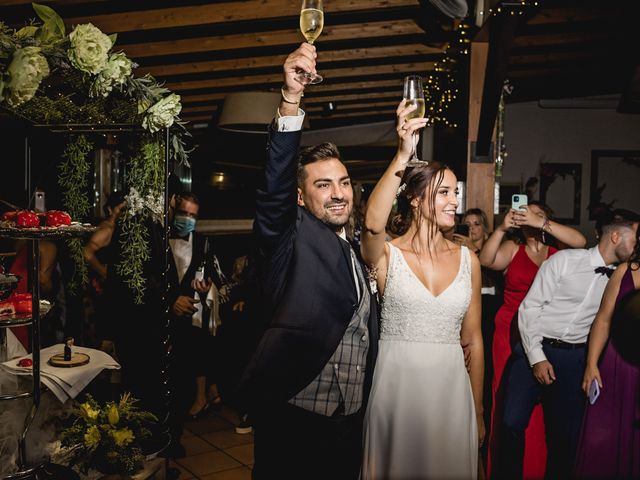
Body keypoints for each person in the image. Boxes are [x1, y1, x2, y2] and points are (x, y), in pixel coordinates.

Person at [238, 44, 379, 480]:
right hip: (292, 416)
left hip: (349, 421)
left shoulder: (360, 248)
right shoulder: (288, 233)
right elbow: (275, 183)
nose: (338, 192)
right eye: (323, 185)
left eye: (344, 182)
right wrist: (292, 99)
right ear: (301, 197)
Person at [360, 100, 484, 479]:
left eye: (455, 192)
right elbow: (371, 223)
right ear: (414, 198)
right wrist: (403, 154)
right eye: (444, 192)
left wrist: (478, 410)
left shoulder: (469, 261)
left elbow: (474, 341)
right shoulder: (387, 256)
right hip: (397, 390)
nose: (455, 200)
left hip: (451, 392)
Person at [497, 210, 639, 479]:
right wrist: (537, 358)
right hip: (533, 349)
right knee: (510, 423)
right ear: (617, 236)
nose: (637, 248)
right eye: (635, 241)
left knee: (565, 439)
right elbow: (530, 308)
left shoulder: (623, 279)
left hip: (574, 359)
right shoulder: (564, 260)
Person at [480, 201, 586, 478]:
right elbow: (486, 260)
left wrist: (542, 223)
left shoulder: (559, 253)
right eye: (525, 213)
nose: (529, 217)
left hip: (546, 332)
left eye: (537, 214)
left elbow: (581, 242)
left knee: (544, 403)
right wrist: (502, 227)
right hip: (509, 331)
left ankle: (537, 470)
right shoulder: (514, 250)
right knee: (508, 402)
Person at [574, 212, 640, 479]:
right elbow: (602, 319)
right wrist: (591, 364)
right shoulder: (625, 271)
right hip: (617, 364)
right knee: (604, 437)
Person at [458, 207, 503, 466]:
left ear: (485, 227)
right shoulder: (458, 253)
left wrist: (473, 252)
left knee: (485, 385)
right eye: (467, 224)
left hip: (490, 327)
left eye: (476, 224)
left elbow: (496, 277)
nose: (472, 229)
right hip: (467, 326)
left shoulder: (492, 253)